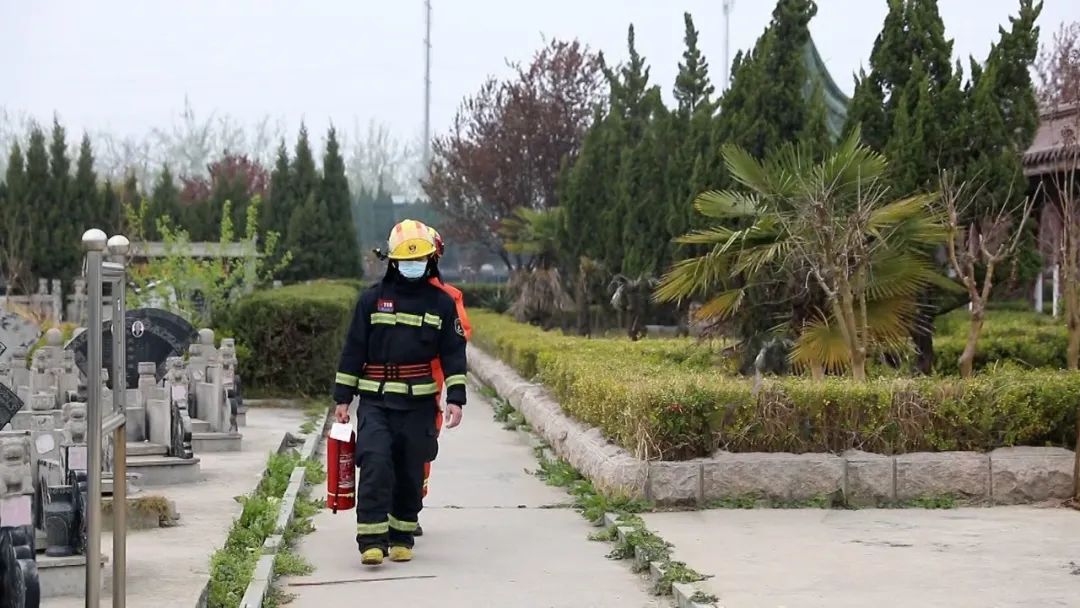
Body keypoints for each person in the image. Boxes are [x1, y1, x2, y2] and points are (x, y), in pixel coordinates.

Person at [333, 219, 468, 566]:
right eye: (406, 260)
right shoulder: (371, 300)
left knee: (410, 470)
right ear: (393, 261)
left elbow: (454, 354)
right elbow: (353, 350)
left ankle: (402, 536)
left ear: (430, 260)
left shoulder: (442, 304)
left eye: (419, 259)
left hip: (419, 403)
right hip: (376, 401)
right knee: (375, 462)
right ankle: (371, 540)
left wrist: (455, 398)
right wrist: (343, 398)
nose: (413, 265)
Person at [412, 226, 472, 537]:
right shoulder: (380, 296)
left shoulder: (448, 299)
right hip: (384, 392)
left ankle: (411, 508)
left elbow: (456, 344)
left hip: (426, 393)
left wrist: (455, 397)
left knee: (419, 451)